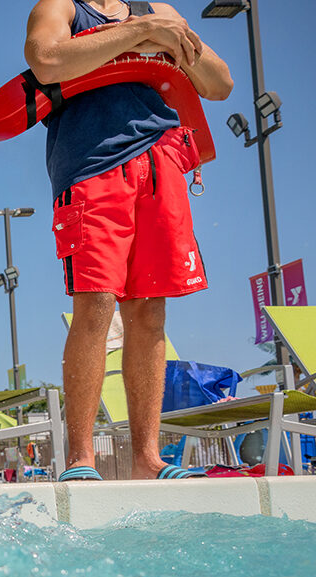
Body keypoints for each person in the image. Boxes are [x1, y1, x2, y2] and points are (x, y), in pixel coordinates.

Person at [24, 0, 232, 480]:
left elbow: (220, 85)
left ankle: (147, 459)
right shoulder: (61, 6)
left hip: (162, 160)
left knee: (150, 310)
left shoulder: (159, 9)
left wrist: (167, 31)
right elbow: (46, 58)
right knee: (95, 304)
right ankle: (80, 459)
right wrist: (143, 33)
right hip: (90, 165)